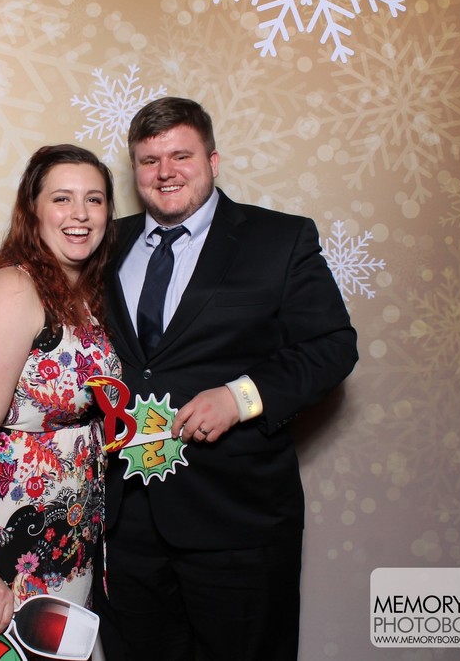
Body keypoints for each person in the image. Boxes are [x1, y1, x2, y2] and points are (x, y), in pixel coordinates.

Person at [96, 97, 358, 660]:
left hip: (237, 520)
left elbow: (332, 346)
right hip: (125, 522)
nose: (165, 172)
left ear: (213, 161)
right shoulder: (102, 244)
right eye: (149, 160)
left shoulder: (279, 240)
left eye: (181, 156)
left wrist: (241, 398)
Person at [0, 144, 122, 660]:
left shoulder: (86, 293)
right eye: (62, 198)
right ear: (32, 210)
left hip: (67, 522)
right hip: (4, 522)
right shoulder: (14, 289)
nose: (80, 214)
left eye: (94, 199)